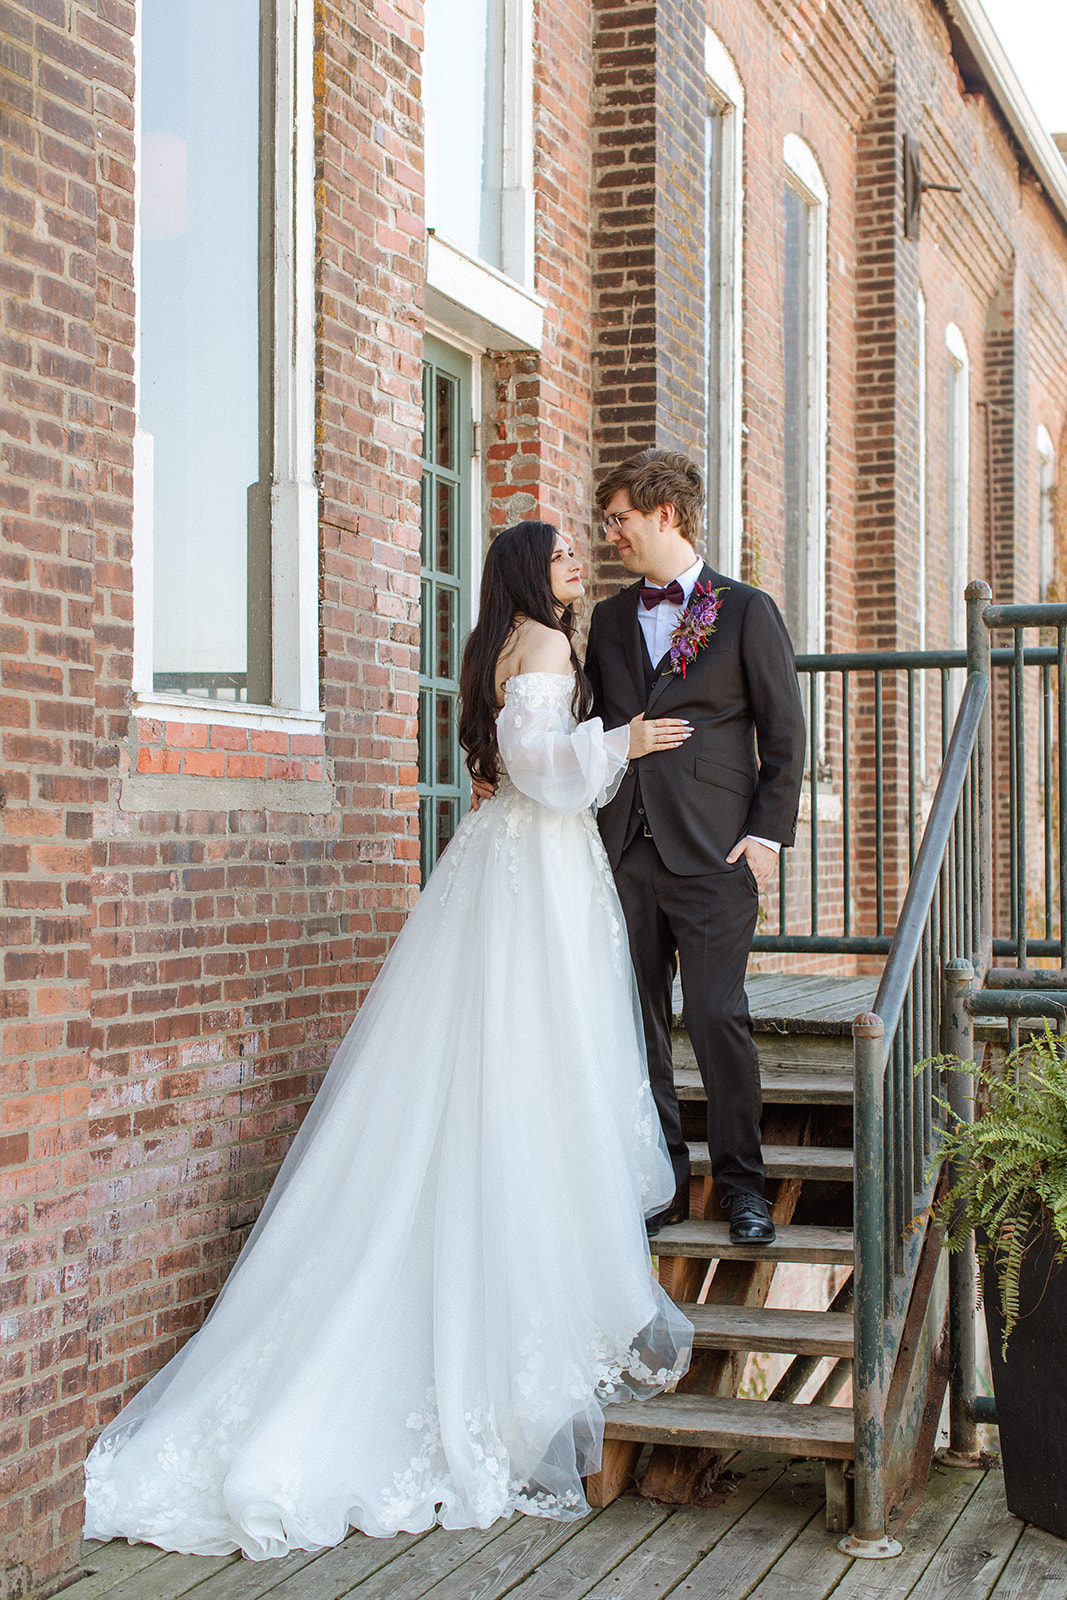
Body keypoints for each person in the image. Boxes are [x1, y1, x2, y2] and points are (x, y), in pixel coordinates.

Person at [83, 521, 692, 1560]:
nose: (570, 567)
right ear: (526, 570)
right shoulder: (545, 647)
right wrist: (618, 743)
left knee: (486, 1057)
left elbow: (502, 763)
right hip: (537, 876)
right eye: (555, 557)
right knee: (536, 1055)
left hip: (496, 866)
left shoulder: (498, 643)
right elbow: (543, 770)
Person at [586, 450, 806, 1244]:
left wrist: (763, 839)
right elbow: (591, 723)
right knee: (637, 1021)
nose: (609, 533)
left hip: (716, 855)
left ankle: (742, 1188)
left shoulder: (744, 610)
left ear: (663, 515)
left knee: (716, 1016)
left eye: (619, 518)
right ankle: (664, 1182)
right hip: (627, 853)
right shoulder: (609, 621)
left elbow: (784, 735)